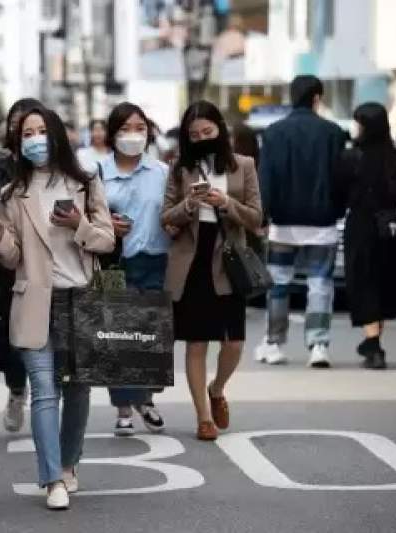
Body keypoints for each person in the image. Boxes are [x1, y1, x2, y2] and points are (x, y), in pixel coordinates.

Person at [0, 106, 115, 510]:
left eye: (41, 131)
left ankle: (70, 462)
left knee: (78, 389)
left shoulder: (86, 182)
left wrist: (78, 226)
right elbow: (11, 258)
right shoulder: (11, 194)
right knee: (43, 390)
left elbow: (106, 240)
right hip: (36, 299)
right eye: (27, 134)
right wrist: (0, 234)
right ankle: (52, 478)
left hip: (81, 298)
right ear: (19, 144)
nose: (35, 139)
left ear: (56, 135)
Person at [161, 101, 263, 441]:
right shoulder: (179, 168)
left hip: (229, 256)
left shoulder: (244, 165)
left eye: (208, 131)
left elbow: (255, 217)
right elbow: (166, 217)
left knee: (233, 342)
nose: (202, 138)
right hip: (192, 258)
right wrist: (190, 204)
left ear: (220, 128)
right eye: (194, 134)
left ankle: (217, 388)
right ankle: (203, 418)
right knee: (196, 342)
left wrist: (225, 203)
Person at [255, 75, 347, 368]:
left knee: (279, 284)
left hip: (283, 223)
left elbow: (265, 180)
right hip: (323, 223)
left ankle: (274, 343)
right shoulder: (334, 133)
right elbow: (341, 180)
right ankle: (318, 344)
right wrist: (337, 208)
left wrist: (263, 215)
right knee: (320, 284)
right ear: (317, 98)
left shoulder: (273, 133)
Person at [100, 102, 172, 436]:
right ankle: (125, 408)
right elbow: (87, 218)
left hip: (156, 261)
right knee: (121, 338)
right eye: (125, 129)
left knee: (152, 338)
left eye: (139, 128)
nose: (133, 135)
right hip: (116, 264)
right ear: (112, 134)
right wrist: (107, 225)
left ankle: (146, 399)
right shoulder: (97, 173)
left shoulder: (161, 172)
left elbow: (172, 215)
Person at [0, 97, 43, 434]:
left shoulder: (57, 171)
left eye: (34, 126)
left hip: (49, 269)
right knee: (10, 343)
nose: (25, 132)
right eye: (19, 124)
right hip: (8, 269)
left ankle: (46, 400)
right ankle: (17, 390)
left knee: (46, 343)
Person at [335, 103, 396, 370]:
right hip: (389, 227)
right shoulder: (394, 157)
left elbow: (338, 192)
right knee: (381, 280)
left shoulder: (351, 157)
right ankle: (372, 341)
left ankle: (373, 345)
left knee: (363, 280)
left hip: (360, 225)